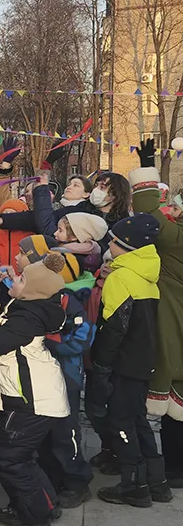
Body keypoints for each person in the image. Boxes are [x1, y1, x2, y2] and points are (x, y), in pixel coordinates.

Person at [86, 214, 174, 507]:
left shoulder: (121, 277)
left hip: (124, 362)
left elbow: (114, 327)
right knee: (138, 419)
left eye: (113, 240)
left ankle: (133, 485)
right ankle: (158, 482)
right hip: (144, 360)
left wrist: (100, 365)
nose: (109, 244)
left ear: (126, 245)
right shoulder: (147, 273)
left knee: (121, 421)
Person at [0, 254, 69, 526]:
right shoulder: (28, 307)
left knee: (8, 455)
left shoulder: (27, 318)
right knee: (17, 454)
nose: (14, 277)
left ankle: (36, 514)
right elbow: (4, 309)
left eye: (21, 278)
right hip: (32, 397)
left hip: (34, 400)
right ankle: (45, 504)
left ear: (32, 291)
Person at [13, 239, 95, 508]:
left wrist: (47, 341)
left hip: (66, 377)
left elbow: (81, 339)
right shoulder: (40, 299)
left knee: (65, 431)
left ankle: (76, 481)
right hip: (42, 378)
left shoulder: (68, 302)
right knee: (45, 434)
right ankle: (52, 475)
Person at [129, 151, 183, 488]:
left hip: (173, 325)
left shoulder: (176, 239)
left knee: (175, 398)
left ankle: (175, 467)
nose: (173, 210)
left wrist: (146, 173)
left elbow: (148, 211)